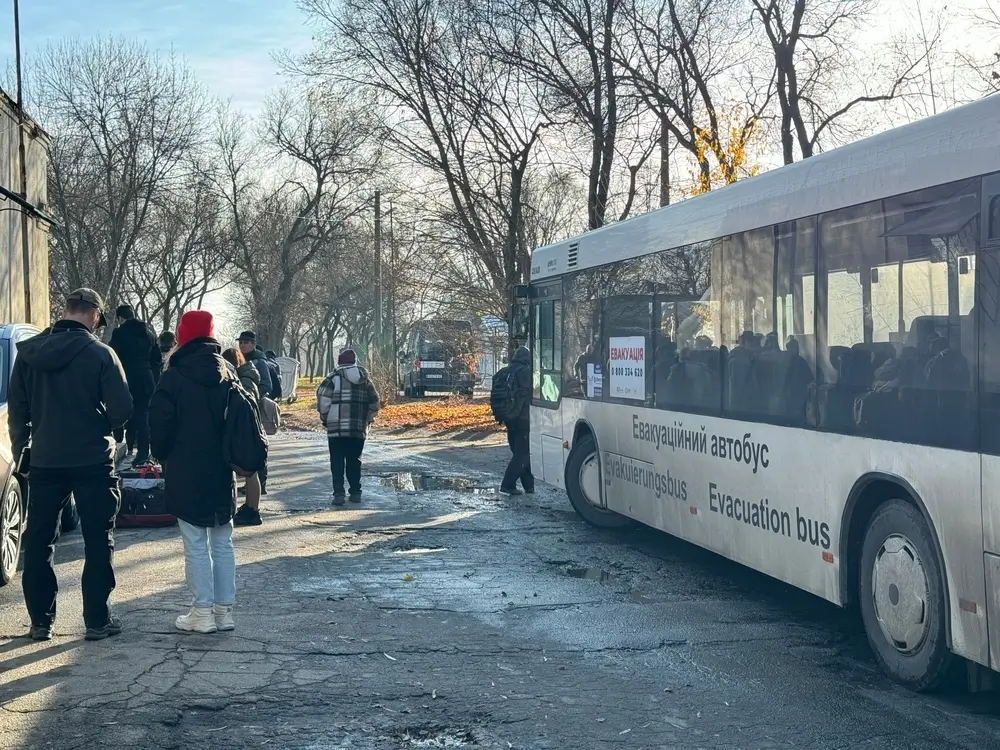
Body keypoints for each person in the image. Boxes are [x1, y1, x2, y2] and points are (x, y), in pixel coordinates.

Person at [9, 288, 132, 641]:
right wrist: (108, 429)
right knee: (97, 539)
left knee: (39, 541)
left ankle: (40, 622)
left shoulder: (29, 354)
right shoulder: (101, 354)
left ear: (66, 311)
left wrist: (23, 451)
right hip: (92, 459)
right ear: (93, 314)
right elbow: (122, 409)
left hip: (46, 460)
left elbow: (17, 412)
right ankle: (96, 620)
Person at [149, 310, 237, 634]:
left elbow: (158, 426)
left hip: (186, 467)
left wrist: (162, 455)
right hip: (221, 467)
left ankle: (201, 612)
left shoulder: (172, 376)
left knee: (196, 541)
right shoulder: (228, 372)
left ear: (181, 336)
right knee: (223, 540)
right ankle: (224, 612)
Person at [316, 348, 380, 506]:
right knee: (354, 460)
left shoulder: (332, 378)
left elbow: (323, 402)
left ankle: (338, 493)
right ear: (355, 362)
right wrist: (368, 418)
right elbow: (375, 403)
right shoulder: (365, 380)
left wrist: (325, 417)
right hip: (357, 428)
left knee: (336, 460)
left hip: (336, 428)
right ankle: (355, 492)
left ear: (339, 362)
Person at [109, 304, 161, 466]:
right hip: (146, 380)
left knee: (122, 411)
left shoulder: (119, 333)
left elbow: (112, 356)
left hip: (125, 378)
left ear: (120, 318)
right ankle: (144, 452)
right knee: (143, 415)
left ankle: (123, 444)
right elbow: (157, 359)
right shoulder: (149, 334)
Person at [222, 347, 264, 527]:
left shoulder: (241, 380)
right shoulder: (251, 377)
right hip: (253, 427)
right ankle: (251, 508)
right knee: (251, 471)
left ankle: (252, 510)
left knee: (249, 471)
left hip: (244, 429)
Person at [238, 332, 274, 494]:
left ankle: (261, 483)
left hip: (256, 408)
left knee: (258, 445)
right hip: (245, 408)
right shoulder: (242, 360)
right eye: (241, 342)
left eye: (246, 342)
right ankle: (251, 483)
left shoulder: (259, 362)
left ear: (253, 344)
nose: (243, 345)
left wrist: (251, 396)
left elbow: (267, 386)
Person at [500, 346, 534, 496]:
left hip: (509, 418)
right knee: (523, 453)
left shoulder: (504, 372)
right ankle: (507, 484)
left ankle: (529, 486)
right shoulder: (526, 372)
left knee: (519, 452)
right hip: (524, 418)